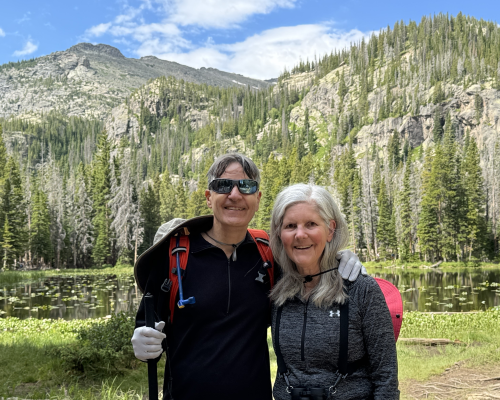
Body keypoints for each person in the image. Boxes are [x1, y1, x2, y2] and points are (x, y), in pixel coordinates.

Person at [131, 153, 366, 400]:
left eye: (246, 186)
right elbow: (148, 327)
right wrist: (142, 343)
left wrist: (338, 257)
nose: (235, 195)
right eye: (223, 185)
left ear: (258, 198)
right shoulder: (173, 255)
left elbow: (310, 266)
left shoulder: (268, 255)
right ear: (209, 197)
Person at [269, 183, 399, 400]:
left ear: (330, 229)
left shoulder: (361, 289)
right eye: (290, 226)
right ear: (279, 233)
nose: (300, 235)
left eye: (311, 224)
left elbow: (386, 378)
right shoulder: (275, 285)